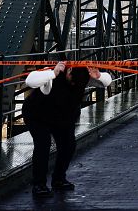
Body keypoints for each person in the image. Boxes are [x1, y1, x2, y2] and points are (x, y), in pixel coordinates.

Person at [23, 62, 112, 197]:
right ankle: (39, 184)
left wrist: (98, 76)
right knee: (43, 144)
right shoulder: (54, 77)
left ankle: (58, 179)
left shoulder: (81, 79)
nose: (73, 86)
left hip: (62, 117)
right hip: (37, 115)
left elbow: (106, 82)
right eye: (71, 82)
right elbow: (30, 80)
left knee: (69, 145)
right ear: (68, 71)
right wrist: (52, 73)